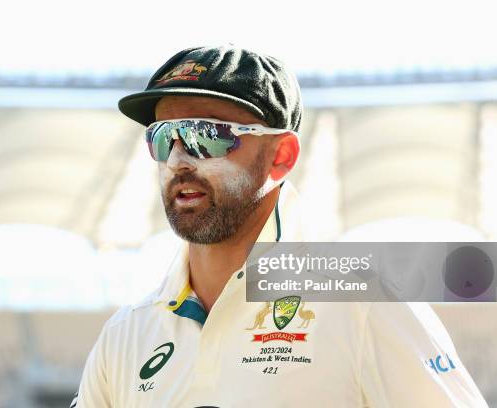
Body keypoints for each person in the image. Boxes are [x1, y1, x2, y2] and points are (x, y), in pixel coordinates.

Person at [71, 45, 488, 407]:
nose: (179, 160)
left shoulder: (364, 303)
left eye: (206, 135)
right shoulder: (126, 333)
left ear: (281, 156)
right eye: (163, 137)